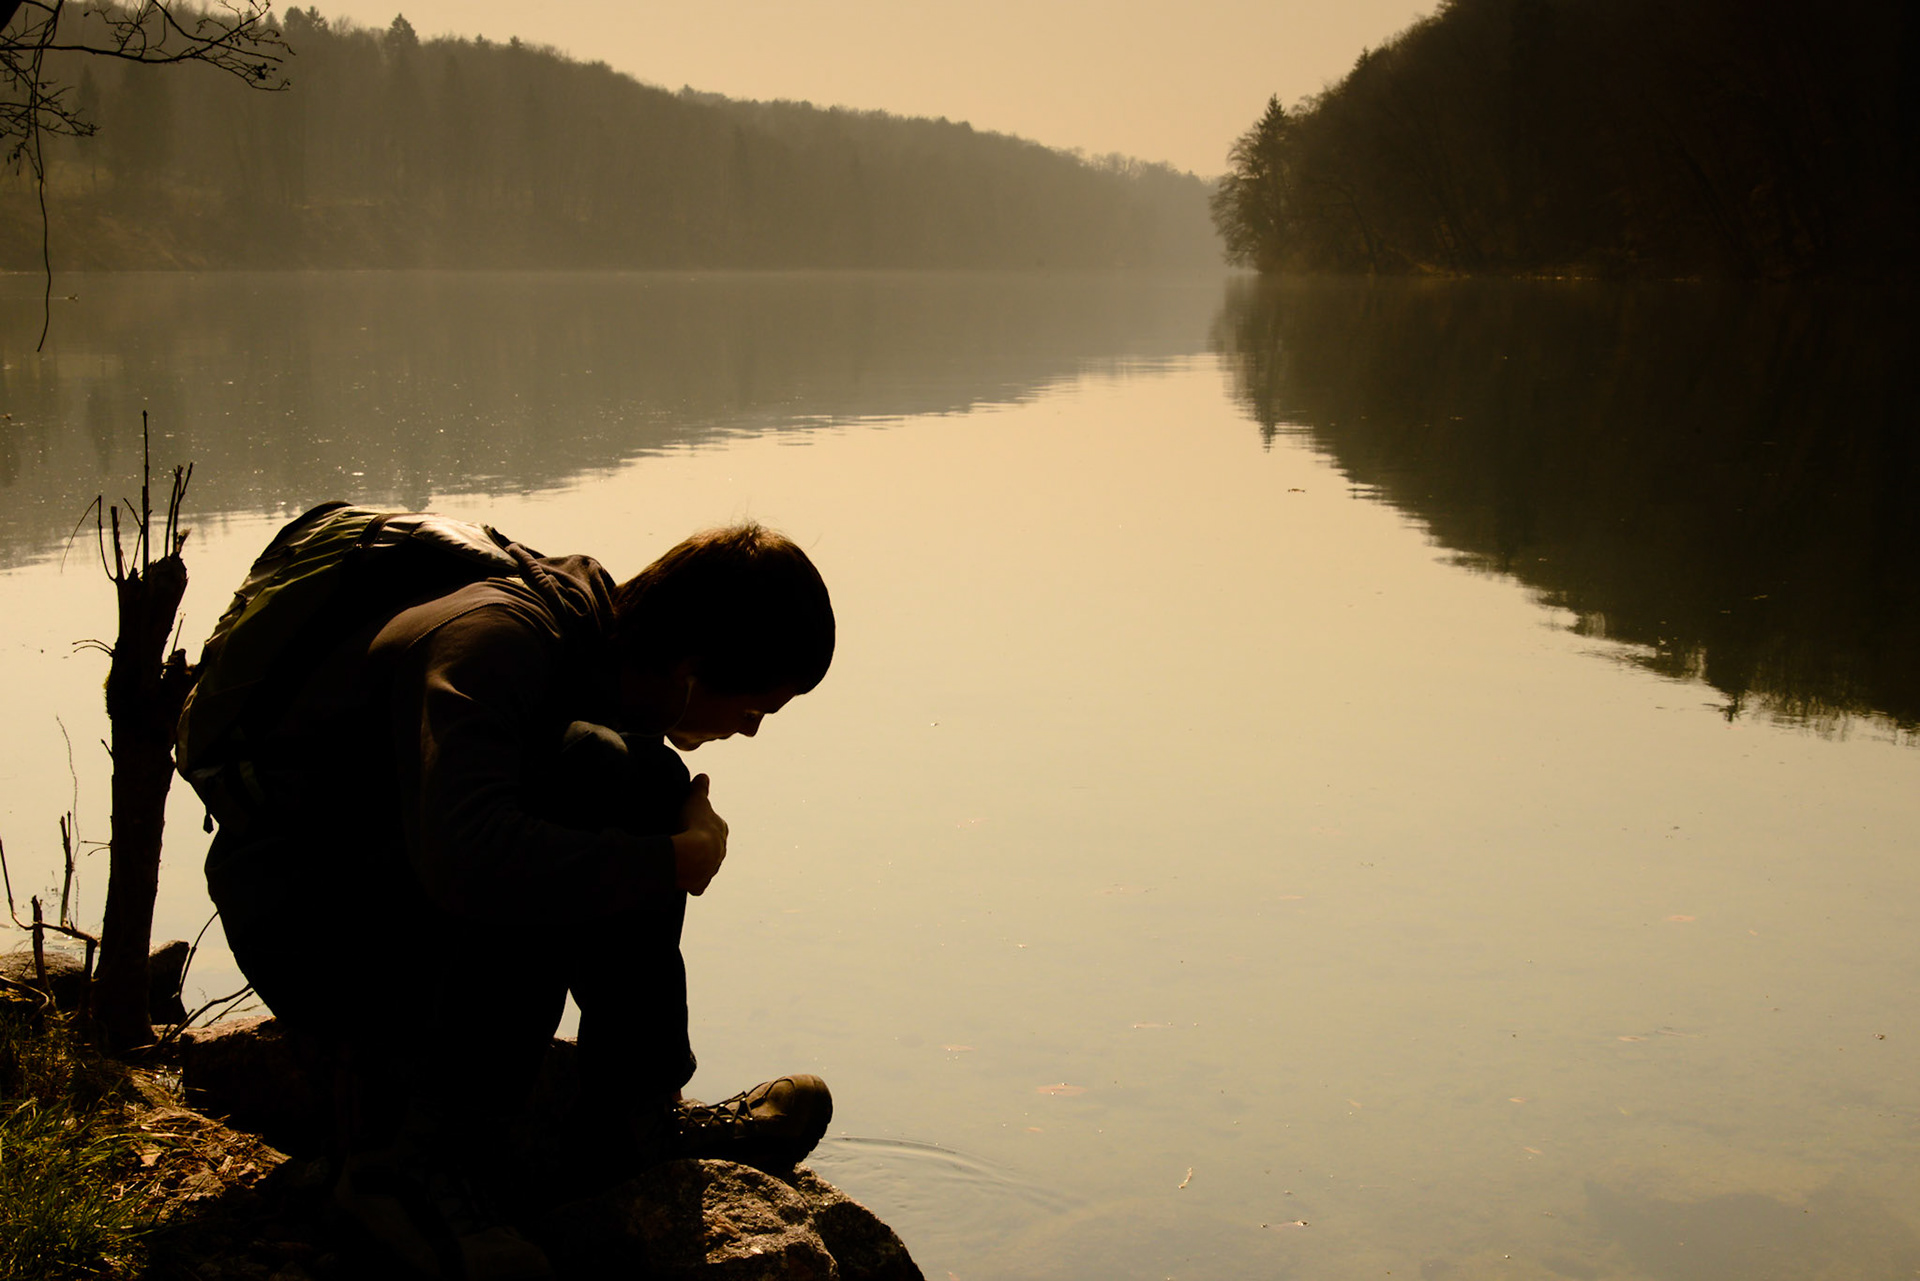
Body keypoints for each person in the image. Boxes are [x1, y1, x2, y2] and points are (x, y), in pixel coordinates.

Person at [200, 517, 836, 1280]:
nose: (752, 731)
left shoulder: (595, 639)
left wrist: (672, 818)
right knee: (593, 780)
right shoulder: (496, 638)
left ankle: (632, 1123)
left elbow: (616, 780)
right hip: (307, 918)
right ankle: (409, 1167)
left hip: (388, 887)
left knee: (630, 778)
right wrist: (673, 856)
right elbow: (470, 859)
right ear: (692, 666)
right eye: (755, 707)